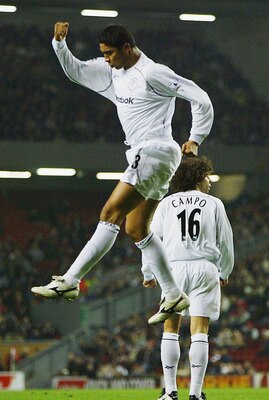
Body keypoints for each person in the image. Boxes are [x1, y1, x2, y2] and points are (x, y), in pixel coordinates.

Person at [31, 23, 214, 324]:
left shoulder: (153, 73)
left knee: (110, 213)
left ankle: (70, 281)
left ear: (127, 48)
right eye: (103, 54)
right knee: (137, 229)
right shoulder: (114, 72)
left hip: (154, 151)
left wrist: (195, 138)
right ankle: (172, 294)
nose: (105, 59)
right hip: (149, 156)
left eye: (110, 53)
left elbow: (200, 97)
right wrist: (59, 44)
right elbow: (77, 71)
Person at [142, 156, 234, 400]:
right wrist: (224, 270)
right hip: (205, 269)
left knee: (170, 329)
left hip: (173, 270)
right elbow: (226, 242)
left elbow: (152, 239)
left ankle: (170, 392)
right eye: (206, 176)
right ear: (196, 177)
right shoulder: (214, 204)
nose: (210, 181)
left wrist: (149, 271)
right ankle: (195, 394)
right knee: (200, 331)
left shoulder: (167, 203)